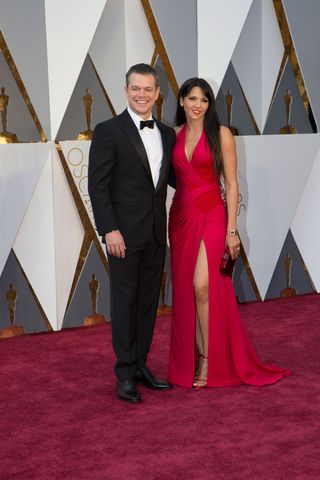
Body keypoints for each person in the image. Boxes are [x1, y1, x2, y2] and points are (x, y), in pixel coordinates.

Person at [168, 78, 290, 388]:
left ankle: (209, 359)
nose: (198, 104)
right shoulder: (174, 136)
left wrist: (231, 230)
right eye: (192, 98)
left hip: (212, 215)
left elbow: (232, 183)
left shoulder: (221, 134)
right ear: (181, 100)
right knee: (189, 291)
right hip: (181, 217)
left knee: (203, 286)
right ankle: (196, 357)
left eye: (204, 99)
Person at [88, 64, 176, 403]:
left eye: (148, 89)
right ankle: (124, 373)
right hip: (122, 234)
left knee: (147, 303)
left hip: (155, 233)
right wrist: (109, 229)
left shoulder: (167, 134)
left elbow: (173, 181)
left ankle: (140, 365)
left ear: (157, 93)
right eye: (135, 88)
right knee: (124, 303)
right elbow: (98, 186)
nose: (142, 94)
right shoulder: (109, 130)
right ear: (125, 91)